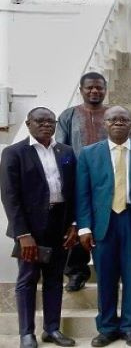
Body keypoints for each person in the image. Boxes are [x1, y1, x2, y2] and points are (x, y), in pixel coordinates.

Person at [76, 106, 131, 347]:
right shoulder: (89, 154)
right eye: (113, 119)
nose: (119, 123)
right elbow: (83, 193)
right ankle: (107, 327)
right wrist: (84, 227)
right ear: (105, 124)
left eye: (124, 119)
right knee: (106, 278)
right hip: (104, 222)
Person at [0, 107, 78, 348]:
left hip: (60, 225)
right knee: (28, 279)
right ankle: (27, 333)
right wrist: (22, 234)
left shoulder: (65, 151)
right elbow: (9, 196)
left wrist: (74, 224)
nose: (46, 124)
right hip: (30, 229)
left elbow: (73, 190)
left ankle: (52, 329)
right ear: (28, 123)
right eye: (40, 121)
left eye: (50, 121)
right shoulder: (14, 153)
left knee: (54, 279)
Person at [55, 71, 109, 292]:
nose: (94, 91)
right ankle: (77, 272)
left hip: (109, 180)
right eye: (90, 88)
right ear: (81, 90)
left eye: (99, 87)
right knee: (77, 224)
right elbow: (61, 148)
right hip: (78, 180)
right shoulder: (69, 115)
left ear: (105, 90)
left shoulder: (114, 114)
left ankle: (108, 270)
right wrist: (70, 171)